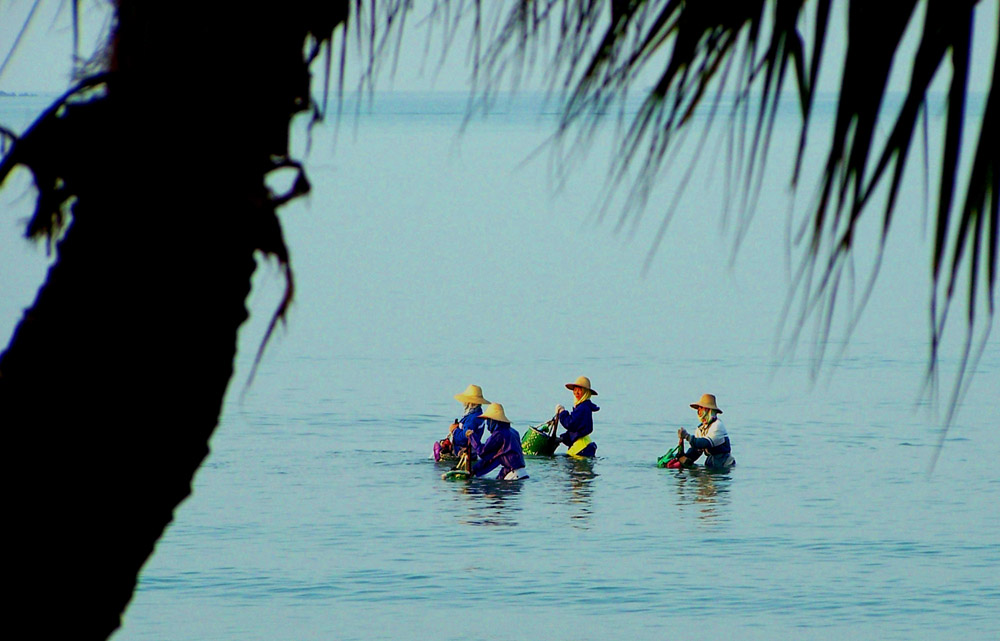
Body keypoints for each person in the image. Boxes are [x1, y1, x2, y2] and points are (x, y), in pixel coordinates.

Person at [466, 403, 529, 480]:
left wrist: (472, 436)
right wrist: (475, 470)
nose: (487, 423)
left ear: (493, 420)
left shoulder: (499, 434)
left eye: (488, 420)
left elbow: (482, 452)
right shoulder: (513, 432)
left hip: (513, 475)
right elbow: (493, 458)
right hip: (522, 473)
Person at [675, 393, 735, 469]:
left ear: (709, 411)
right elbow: (696, 450)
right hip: (711, 463)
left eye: (701, 408)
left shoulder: (718, 425)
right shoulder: (700, 429)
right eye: (698, 409)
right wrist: (683, 458)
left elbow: (705, 443)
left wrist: (687, 437)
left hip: (724, 464)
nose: (699, 411)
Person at [433, 384, 489, 461]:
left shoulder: (472, 419)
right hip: (472, 452)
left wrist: (454, 430)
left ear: (469, 402)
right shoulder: (479, 415)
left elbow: (465, 437)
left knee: (437, 448)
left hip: (463, 454)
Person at [554, 375, 599, 457]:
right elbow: (577, 429)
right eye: (575, 390)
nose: (576, 393)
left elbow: (570, 423)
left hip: (581, 449)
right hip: (584, 447)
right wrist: (562, 438)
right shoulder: (584, 407)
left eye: (580, 390)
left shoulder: (583, 408)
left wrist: (562, 412)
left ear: (586, 392)